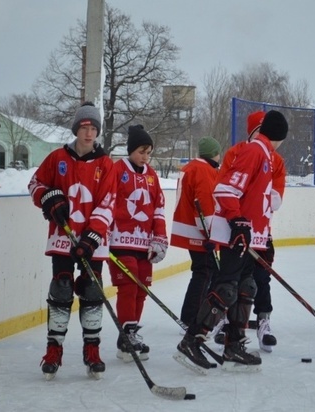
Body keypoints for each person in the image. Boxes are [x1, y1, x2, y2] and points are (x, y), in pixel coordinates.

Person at [175, 110, 288, 373]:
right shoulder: (254, 152)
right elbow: (225, 189)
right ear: (280, 135)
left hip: (250, 236)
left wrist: (259, 233)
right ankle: (191, 341)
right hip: (236, 234)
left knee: (246, 287)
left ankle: (234, 344)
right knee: (226, 288)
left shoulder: (268, 157)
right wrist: (237, 221)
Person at [28, 101, 117, 380]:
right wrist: (47, 197)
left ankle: (92, 350)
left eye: (93, 128)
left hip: (94, 239)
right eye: (84, 127)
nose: (89, 133)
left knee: (92, 291)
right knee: (62, 288)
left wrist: (92, 236)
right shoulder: (57, 158)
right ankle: (53, 349)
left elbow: (108, 202)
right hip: (63, 235)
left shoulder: (106, 163)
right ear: (76, 128)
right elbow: (35, 183)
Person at [212, 111, 287, 352]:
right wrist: (236, 218)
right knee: (230, 282)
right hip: (239, 230)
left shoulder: (275, 159)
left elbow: (274, 198)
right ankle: (221, 324)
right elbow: (225, 189)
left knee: (258, 280)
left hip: (259, 231)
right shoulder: (241, 152)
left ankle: (262, 321)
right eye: (257, 130)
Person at [108, 125, 168, 362]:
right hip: (120, 241)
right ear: (131, 150)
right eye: (142, 151)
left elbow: (158, 209)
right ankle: (126, 336)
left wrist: (160, 238)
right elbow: (107, 201)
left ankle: (131, 334)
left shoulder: (152, 176)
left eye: (148, 152)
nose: (145, 156)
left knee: (142, 287)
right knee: (128, 286)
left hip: (144, 244)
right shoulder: (117, 170)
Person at [171, 137, 222, 329]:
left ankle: (194, 315)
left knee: (204, 273)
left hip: (193, 231)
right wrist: (210, 234)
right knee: (205, 273)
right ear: (212, 153)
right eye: (218, 153)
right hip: (200, 234)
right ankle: (194, 318)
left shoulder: (191, 167)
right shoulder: (204, 170)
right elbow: (204, 203)